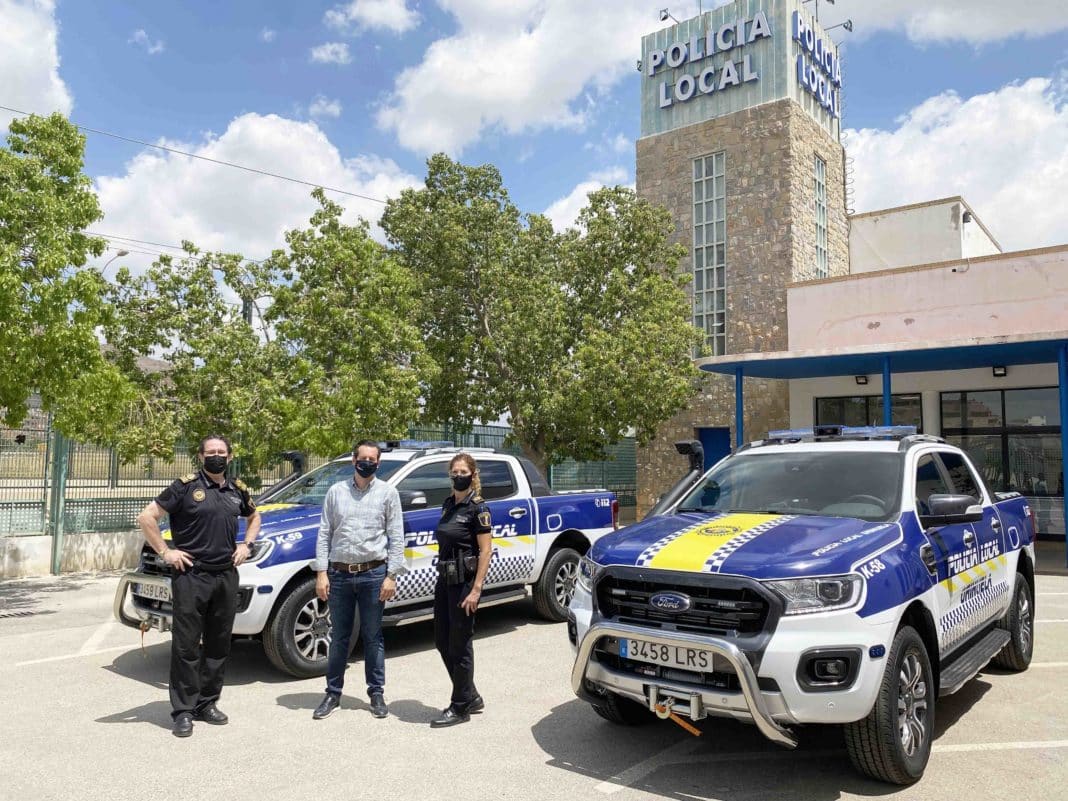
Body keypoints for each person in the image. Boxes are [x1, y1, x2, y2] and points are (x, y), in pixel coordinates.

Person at [136, 435, 261, 738]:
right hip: (192, 576)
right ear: (201, 456)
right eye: (211, 452)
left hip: (226, 576)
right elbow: (147, 517)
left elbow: (255, 516)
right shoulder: (185, 487)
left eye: (221, 452)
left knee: (219, 645)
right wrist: (166, 552)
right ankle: (183, 711)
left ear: (230, 457)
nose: (216, 456)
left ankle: (207, 703)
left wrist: (247, 545)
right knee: (186, 646)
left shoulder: (237, 490)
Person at [312, 440, 405, 720]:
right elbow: (324, 533)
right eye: (362, 458)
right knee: (339, 636)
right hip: (339, 574)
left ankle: (376, 693)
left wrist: (391, 575)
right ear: (354, 461)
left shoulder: (388, 493)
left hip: (374, 574)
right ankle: (332, 693)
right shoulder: (336, 492)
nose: (367, 463)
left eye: (372, 459)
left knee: (372, 636)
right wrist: (321, 572)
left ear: (378, 463)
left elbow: (397, 536)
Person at [429, 453, 494, 728]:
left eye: (463, 471)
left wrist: (476, 589)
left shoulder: (478, 508)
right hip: (444, 581)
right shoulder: (448, 504)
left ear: (473, 474)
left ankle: (460, 706)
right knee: (441, 640)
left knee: (460, 643)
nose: (458, 475)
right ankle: (471, 695)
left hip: (465, 584)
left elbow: (486, 551)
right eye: (454, 471)